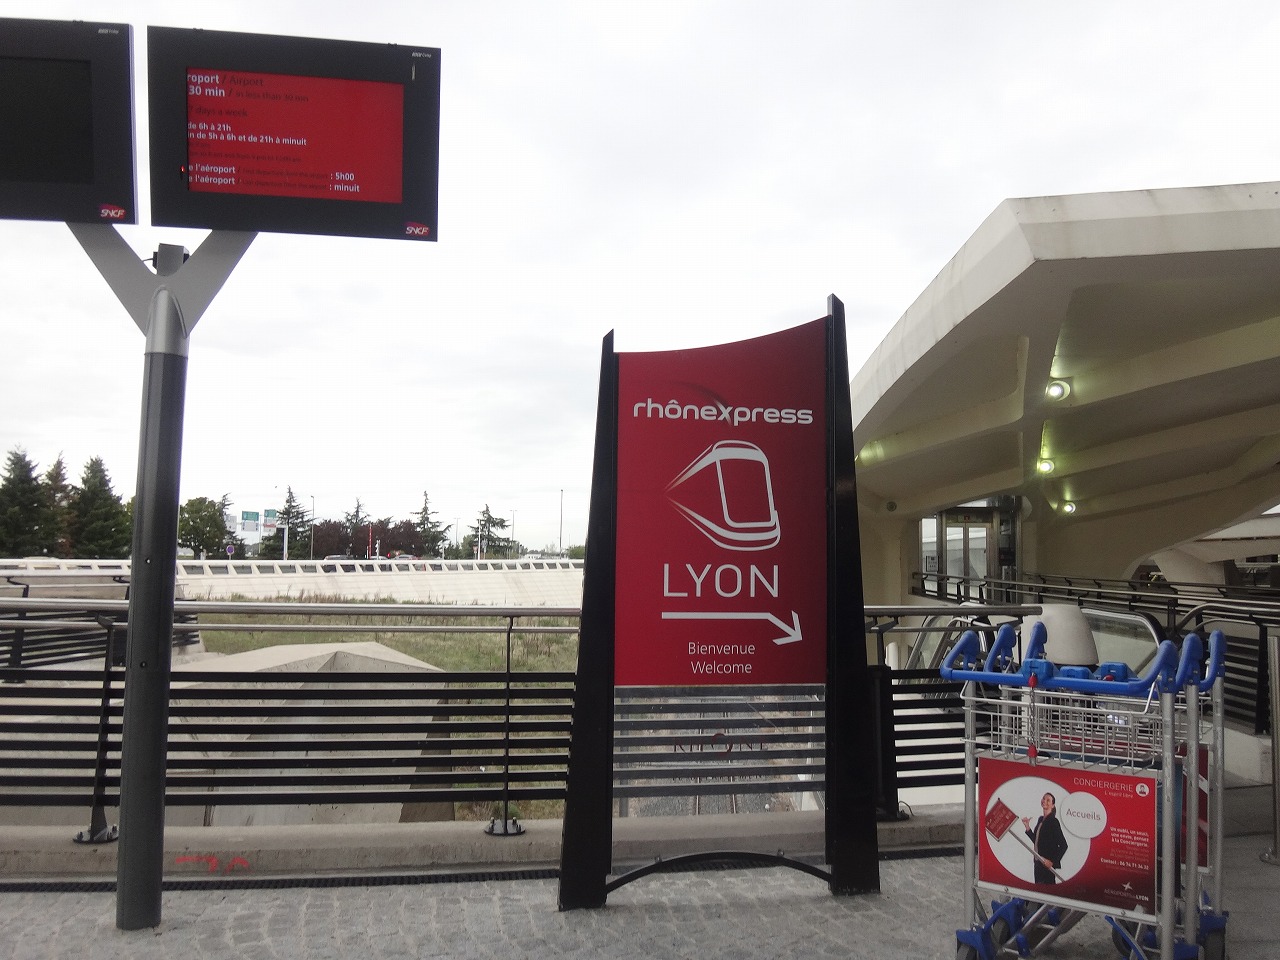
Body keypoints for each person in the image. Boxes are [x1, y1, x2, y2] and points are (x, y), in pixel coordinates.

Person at [1021, 792, 1068, 883]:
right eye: (1043, 798)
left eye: (1048, 800)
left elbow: (1063, 845)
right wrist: (1027, 827)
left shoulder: (1053, 821)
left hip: (1046, 865)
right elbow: (1037, 841)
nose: (1044, 801)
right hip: (1037, 862)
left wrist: (1052, 862)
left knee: (1047, 888)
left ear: (1052, 805)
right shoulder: (1040, 820)